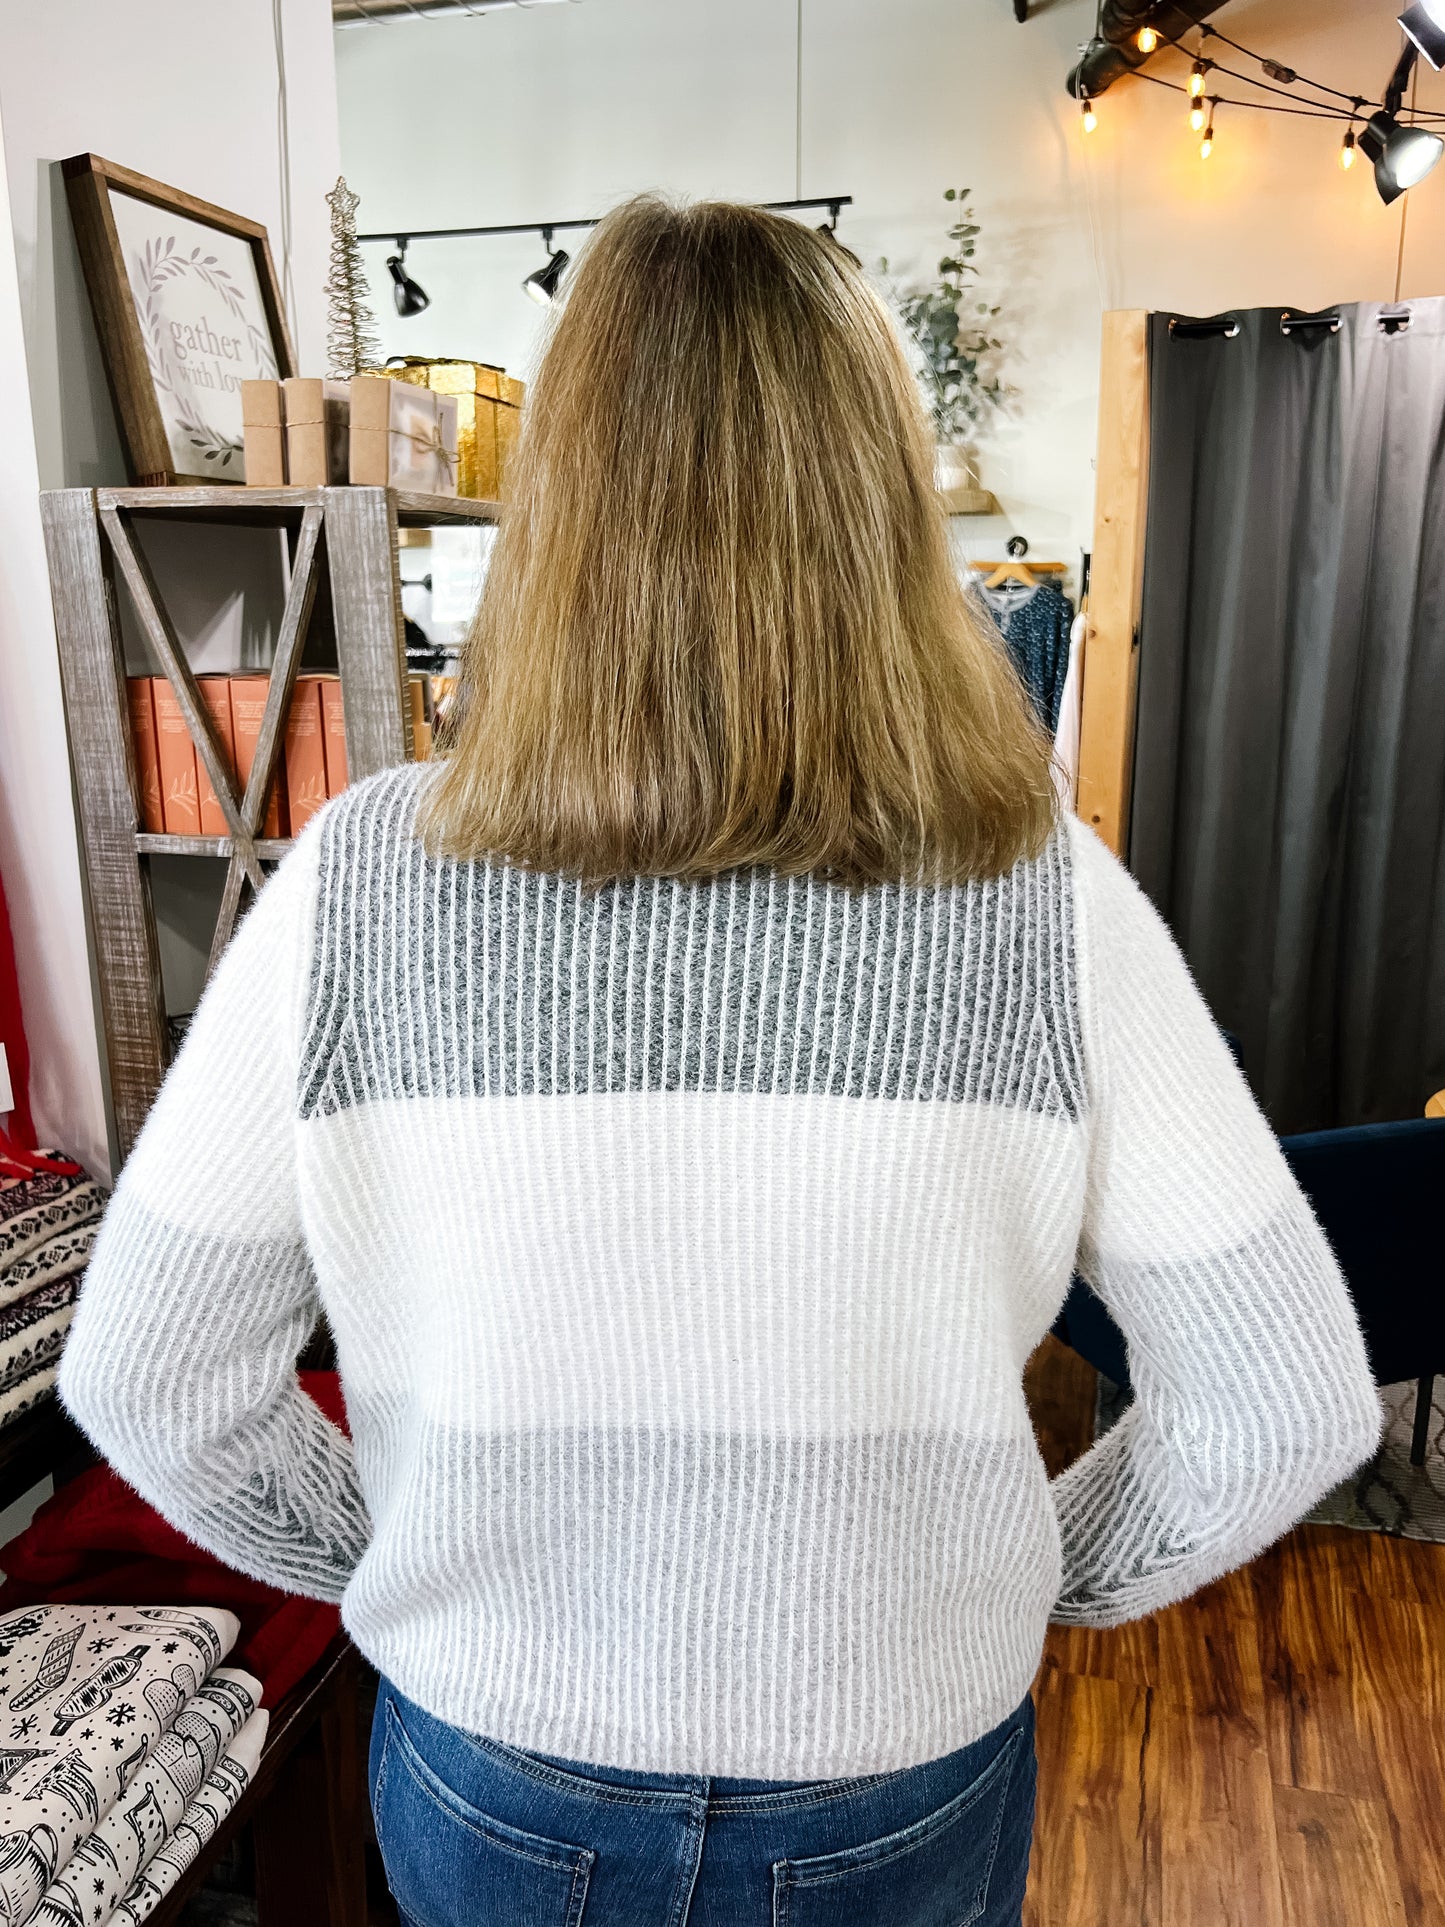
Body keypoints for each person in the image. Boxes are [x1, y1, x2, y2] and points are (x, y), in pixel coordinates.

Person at [60, 197, 1380, 1927]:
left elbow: (151, 1377)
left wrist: (399, 1564)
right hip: (900, 1761)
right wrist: (1022, 1578)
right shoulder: (1039, 896)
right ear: (878, 503)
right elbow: (1281, 1402)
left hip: (497, 1759)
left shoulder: (361, 880)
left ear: (558, 504)